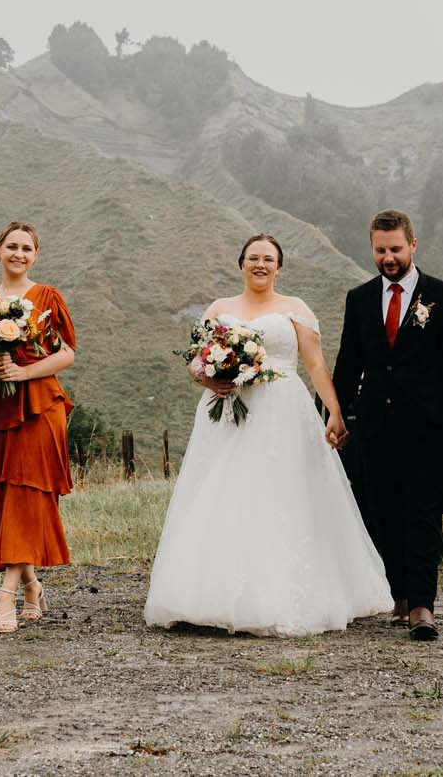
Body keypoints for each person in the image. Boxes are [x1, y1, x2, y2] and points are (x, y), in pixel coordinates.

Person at [144, 234, 392, 636]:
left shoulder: (295, 309)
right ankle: (210, 593)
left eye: (268, 259)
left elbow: (315, 365)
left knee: (283, 493)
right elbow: (195, 361)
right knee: (223, 491)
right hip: (226, 412)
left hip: (282, 411)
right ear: (241, 263)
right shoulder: (219, 308)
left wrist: (334, 412)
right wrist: (209, 379)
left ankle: (280, 594)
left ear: (279, 266)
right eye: (253, 258)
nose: (260, 264)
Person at [332, 210, 443, 641]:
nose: (388, 258)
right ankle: (401, 595)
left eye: (395, 249)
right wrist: (334, 415)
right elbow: (348, 364)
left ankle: (423, 606)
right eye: (380, 250)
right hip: (375, 428)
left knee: (423, 514)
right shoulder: (359, 299)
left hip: (428, 428)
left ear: (413, 245)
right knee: (384, 514)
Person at [0, 222, 77, 634]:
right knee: (6, 497)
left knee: (27, 495)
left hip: (40, 406)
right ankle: (31, 584)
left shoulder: (48, 297)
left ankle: (6, 594)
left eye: (27, 248)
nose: (19, 254)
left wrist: (24, 373)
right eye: (12, 246)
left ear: (36, 255)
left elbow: (67, 353)